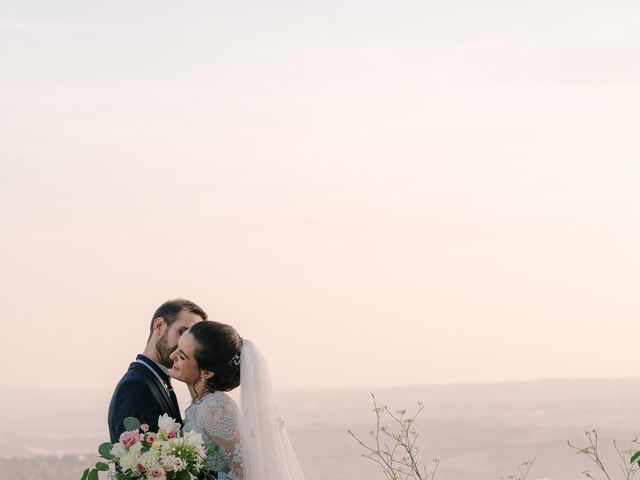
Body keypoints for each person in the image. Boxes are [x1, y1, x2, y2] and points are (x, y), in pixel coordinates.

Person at [170, 321, 306, 480]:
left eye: (181, 356)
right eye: (177, 349)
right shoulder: (202, 403)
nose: (172, 356)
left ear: (206, 373)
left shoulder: (215, 409)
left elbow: (247, 470)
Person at [108, 299, 207, 443]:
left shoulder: (157, 380)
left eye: (192, 339)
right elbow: (136, 461)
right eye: (182, 332)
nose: (185, 345)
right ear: (159, 325)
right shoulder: (135, 387)